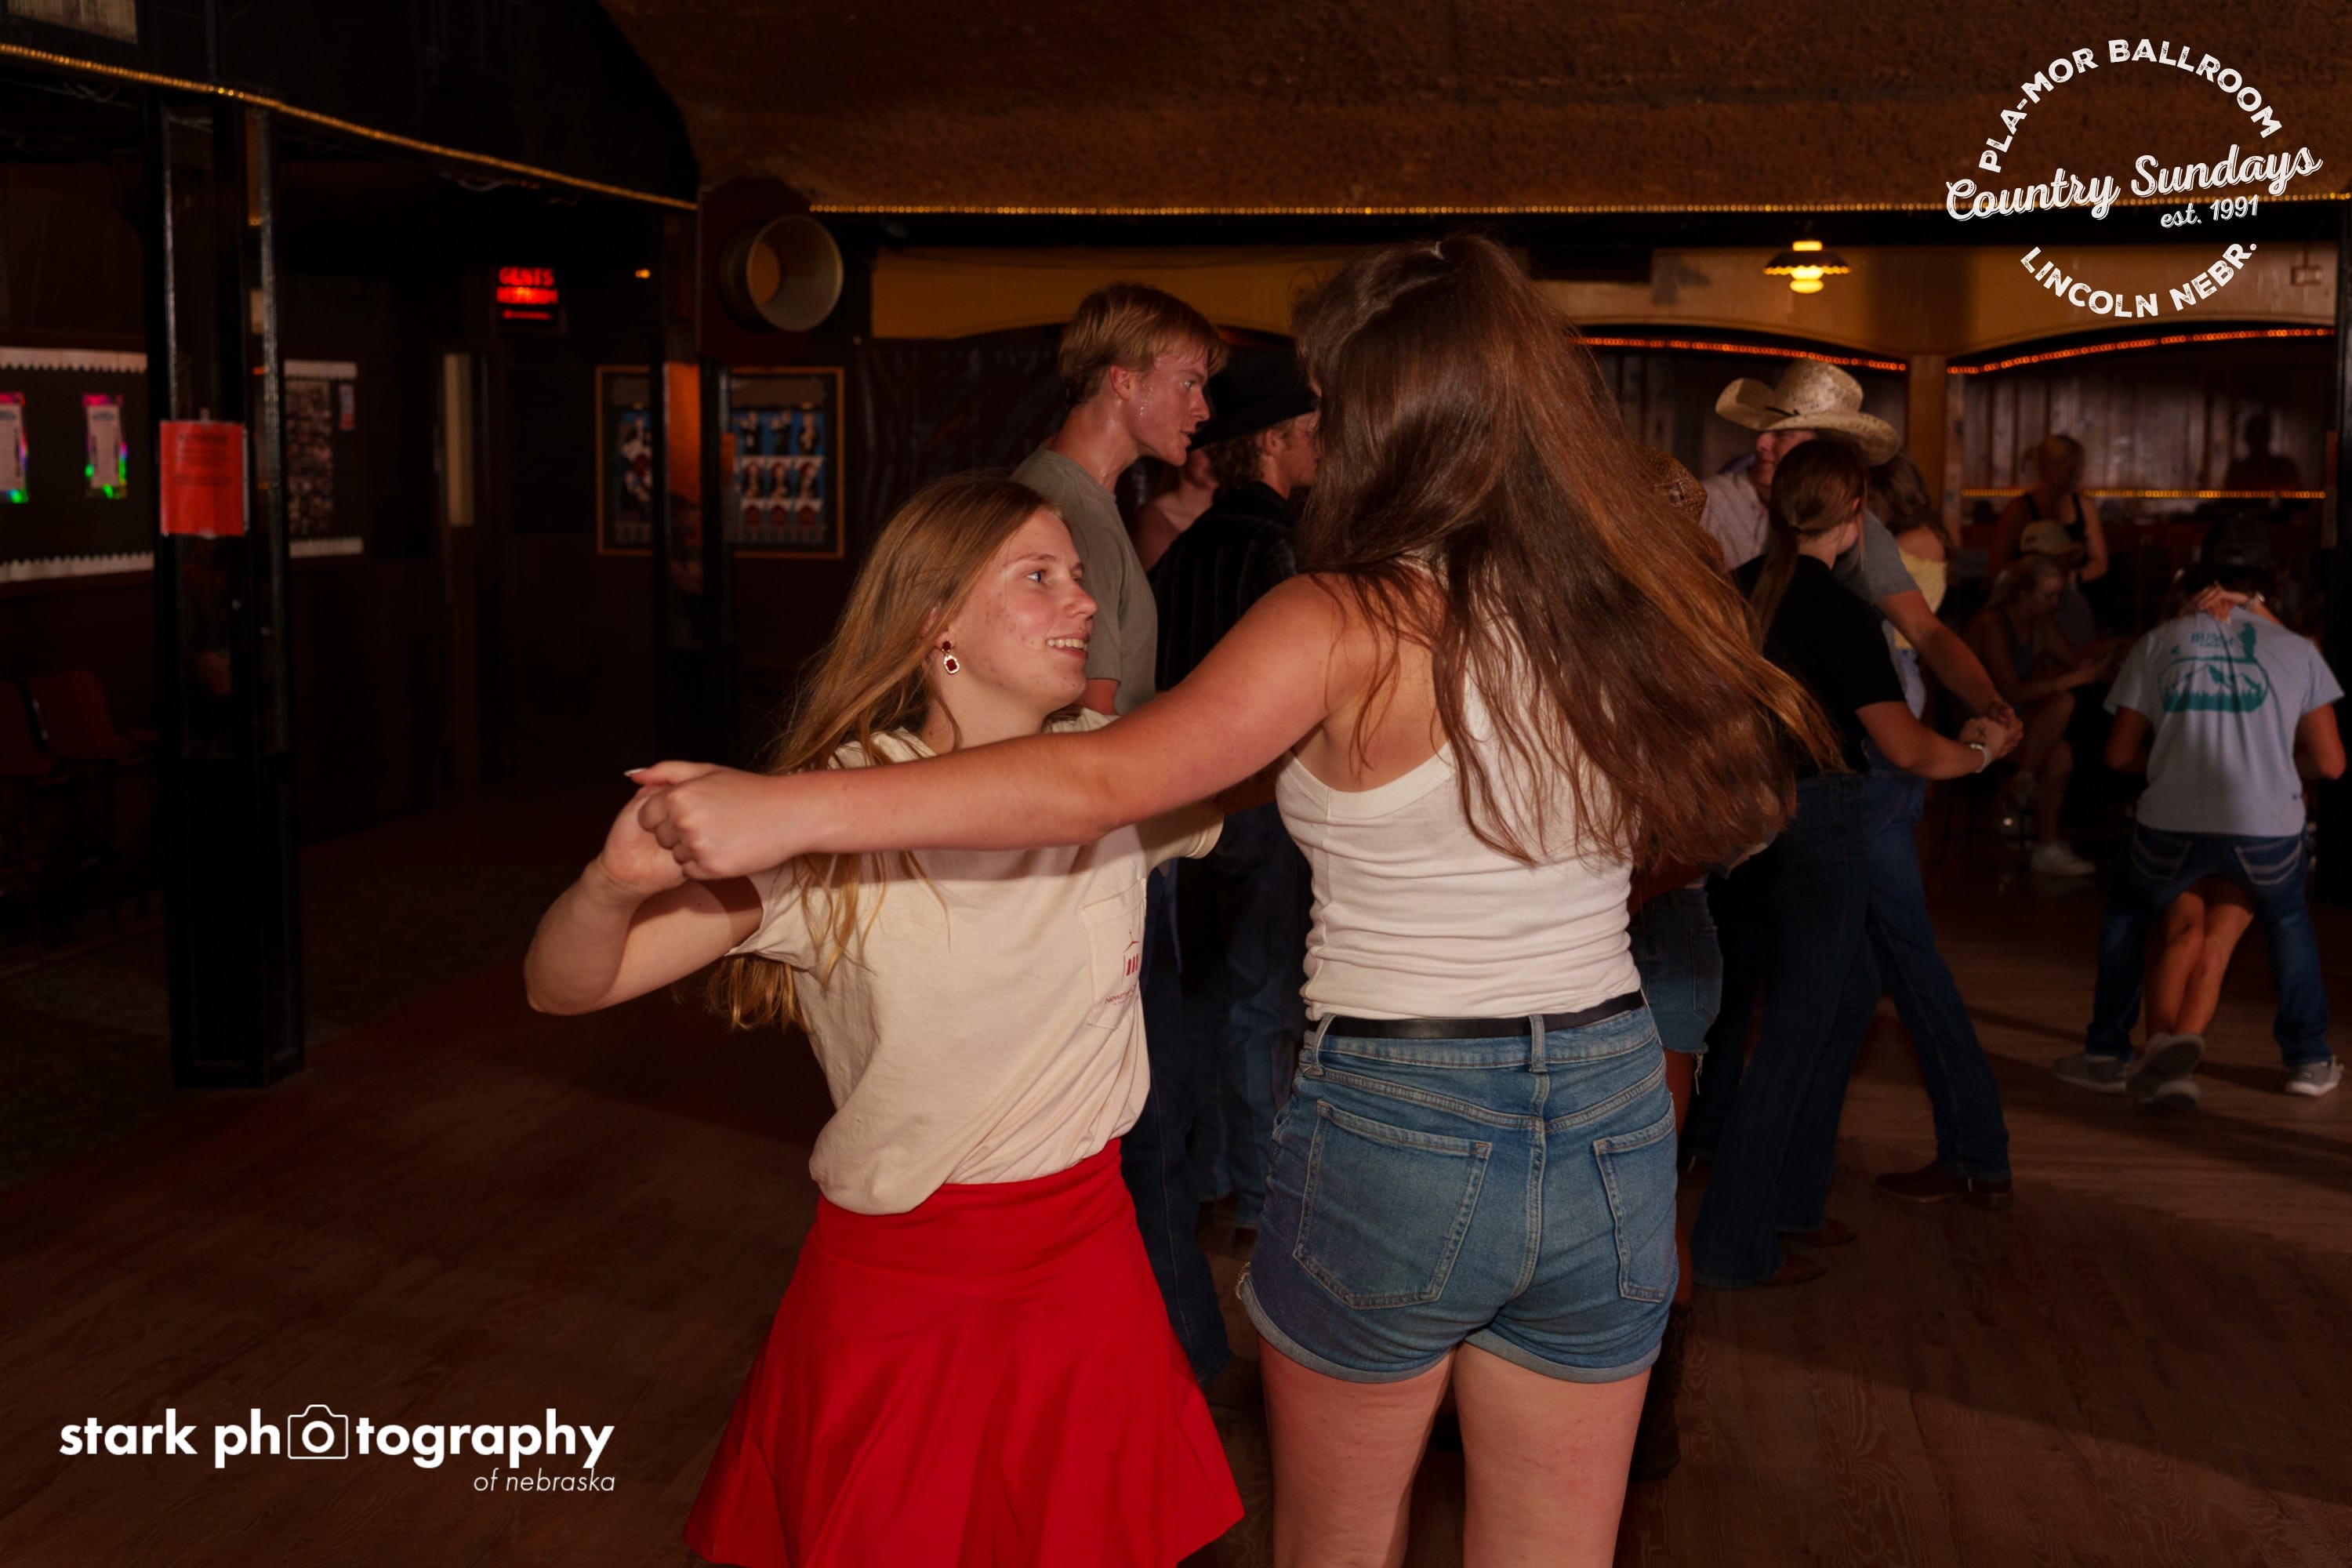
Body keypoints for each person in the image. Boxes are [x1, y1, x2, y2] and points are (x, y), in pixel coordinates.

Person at [632, 234, 1831, 1566]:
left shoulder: (1346, 618)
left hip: (1408, 1108)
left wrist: (791, 807)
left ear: (1381, 414)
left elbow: (1099, 782)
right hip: (1613, 1096)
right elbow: (1723, 814)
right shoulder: (1615, 602)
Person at [521, 474, 1242, 1566]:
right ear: (936, 623)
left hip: (1088, 1265)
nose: (1083, 602)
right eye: (1037, 577)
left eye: (1078, 576)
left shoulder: (1118, 776)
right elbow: (564, 985)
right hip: (907, 1294)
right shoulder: (832, 815)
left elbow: (1280, 752)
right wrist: (610, 885)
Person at [1690, 439, 2010, 1292]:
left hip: (1747, 826)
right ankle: (1732, 1244)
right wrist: (1983, 751)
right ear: (1857, 515)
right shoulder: (1838, 610)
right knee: (1795, 1036)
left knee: (1846, 994)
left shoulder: (1736, 593)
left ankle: (1792, 1202)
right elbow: (1907, 747)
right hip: (1819, 824)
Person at [1012, 281, 1235, 1387]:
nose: (1203, 409)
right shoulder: (1054, 511)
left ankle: (1158, 1373)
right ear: (1121, 378)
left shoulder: (1088, 504)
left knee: (1148, 1121)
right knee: (1137, 1130)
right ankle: (1174, 1379)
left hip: (1123, 851)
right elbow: (1084, 733)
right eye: (1188, 382)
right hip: (1102, 859)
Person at [2060, 521, 2347, 1102]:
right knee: (2288, 921)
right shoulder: (2299, 651)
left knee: (2130, 917)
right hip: (2264, 829)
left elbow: (2118, 756)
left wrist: (2175, 757)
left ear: (2199, 572)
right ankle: (2308, 1061)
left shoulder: (2158, 642)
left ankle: (2108, 1053)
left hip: (2171, 826)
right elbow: (2331, 765)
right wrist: (2272, 761)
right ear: (2272, 580)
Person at [1150, 347, 1320, 1240]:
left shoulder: (1183, 553)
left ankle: (1210, 1179)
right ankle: (1260, 1199)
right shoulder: (1280, 548)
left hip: (1187, 808)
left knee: (1206, 995)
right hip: (1263, 803)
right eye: (1312, 428)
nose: (1322, 443)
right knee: (1263, 1005)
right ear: (1279, 439)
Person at [1858, 455, 2016, 1210]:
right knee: (1849, 977)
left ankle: (1976, 1153)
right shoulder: (1859, 534)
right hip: (1865, 758)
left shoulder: (1872, 537)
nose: (1764, 453)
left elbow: (1922, 630)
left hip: (1871, 760)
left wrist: (1989, 719)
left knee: (1905, 961)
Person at [1963, 555, 2118, 875]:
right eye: (2048, 595)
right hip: (1979, 722)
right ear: (2023, 594)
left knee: (2062, 754)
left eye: (2058, 595)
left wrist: (2111, 652)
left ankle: (2043, 842)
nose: (2055, 603)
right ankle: (2023, 786)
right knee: (2063, 702)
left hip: (2015, 719)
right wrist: (2070, 679)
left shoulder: (2041, 623)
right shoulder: (1992, 624)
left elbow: (2075, 662)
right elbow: (2011, 690)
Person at [1131, 445, 1219, 572]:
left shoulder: (1227, 517)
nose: (1216, 460)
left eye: (1222, 452)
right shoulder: (1153, 520)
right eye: (1207, 451)